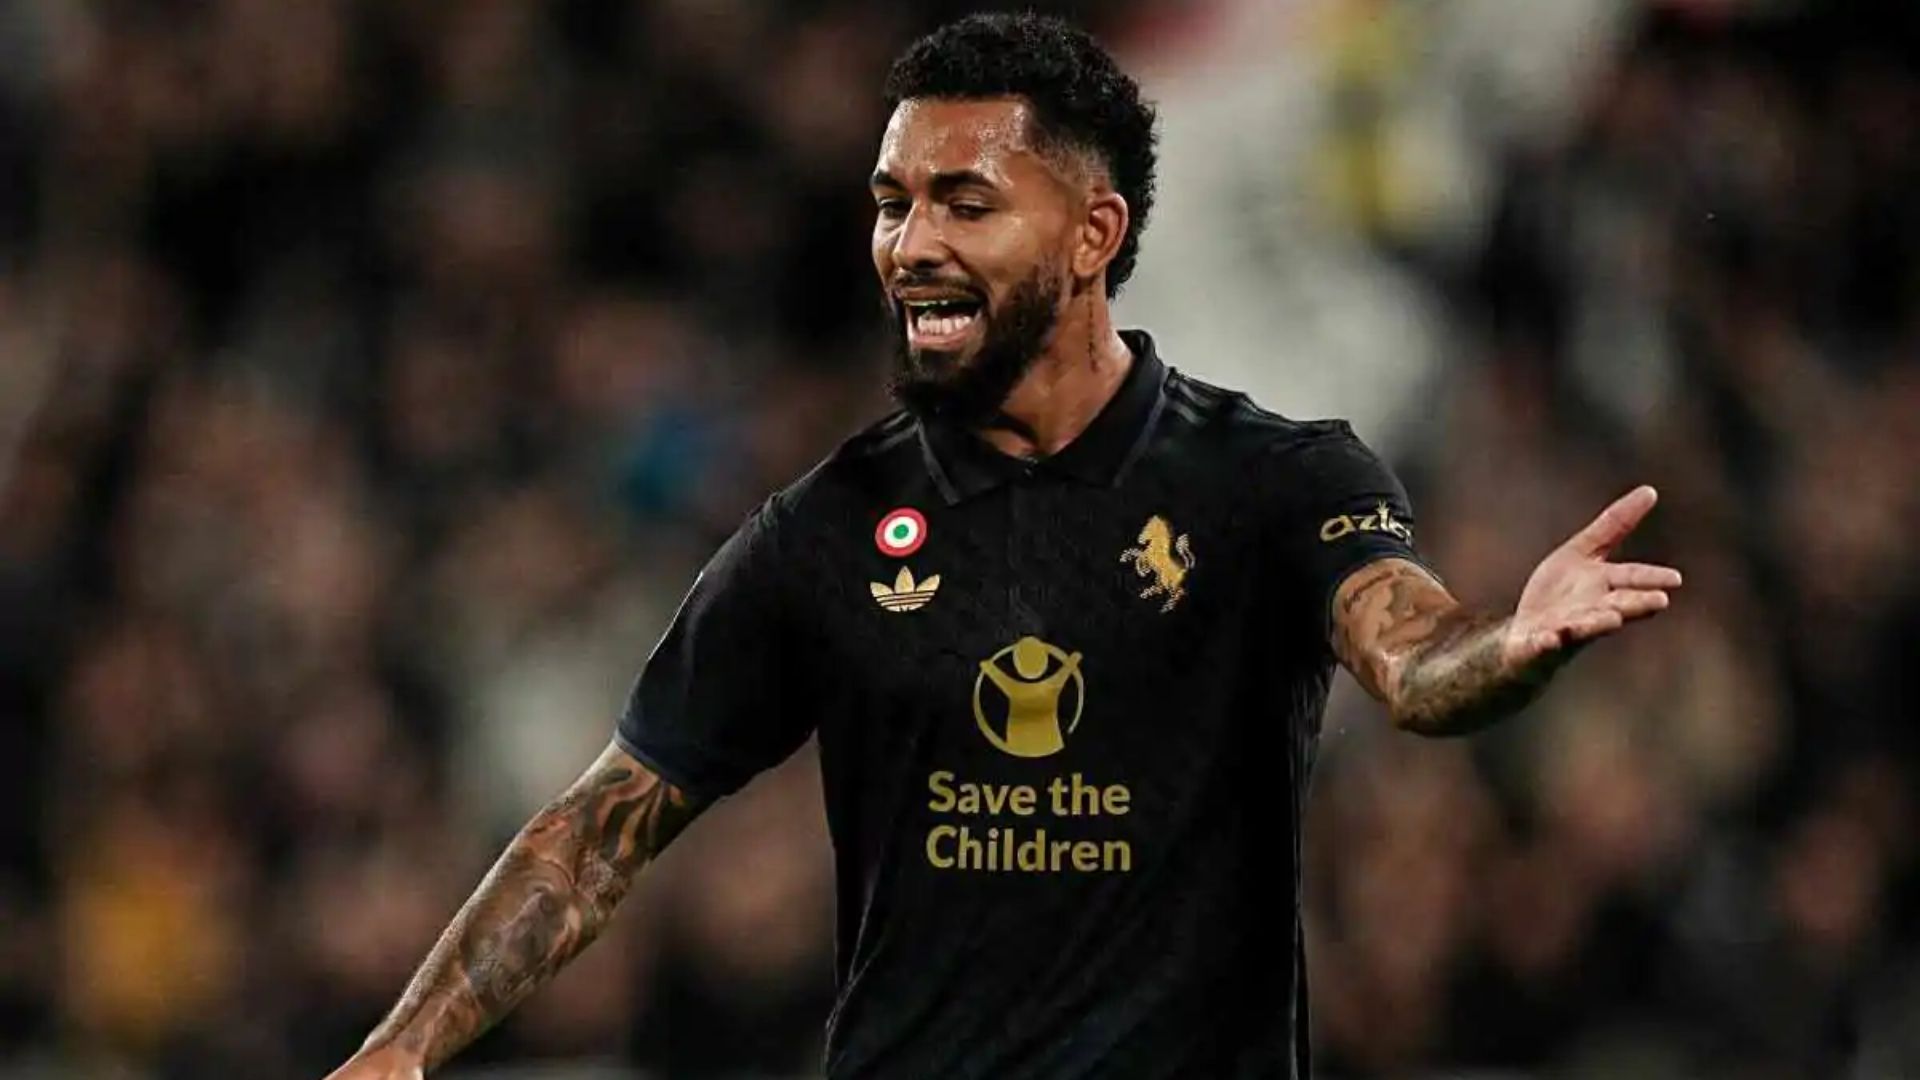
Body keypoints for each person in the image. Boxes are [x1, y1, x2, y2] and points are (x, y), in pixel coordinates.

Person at [326, 13, 1681, 1079]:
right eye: (892, 203)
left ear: (1096, 234)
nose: (910, 245)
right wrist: (402, 1049)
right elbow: (597, 832)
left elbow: (1416, 663)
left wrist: (1515, 640)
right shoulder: (825, 529)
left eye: (965, 205)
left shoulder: (1273, 481)